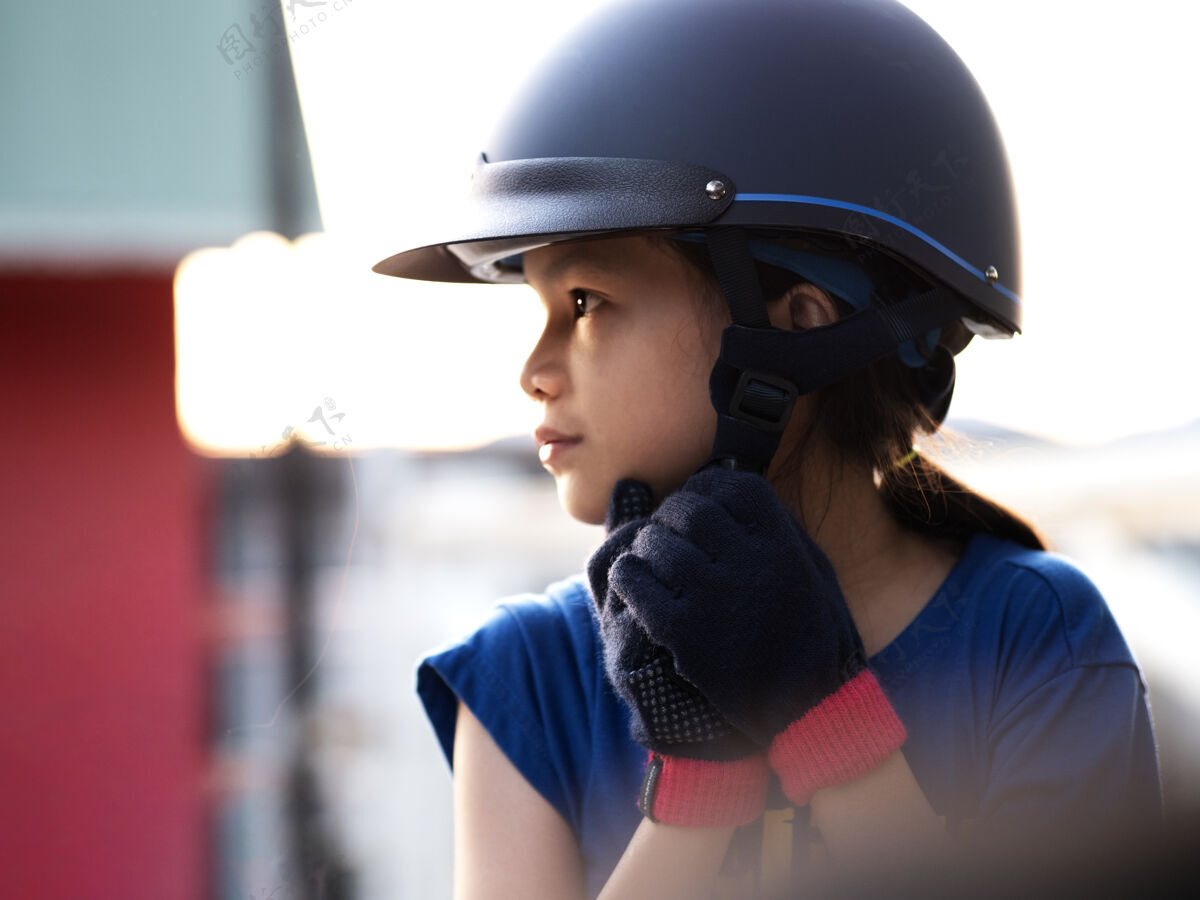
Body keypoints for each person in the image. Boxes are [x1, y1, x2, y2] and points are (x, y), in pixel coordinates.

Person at [373, 1, 1161, 896]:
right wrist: (697, 781)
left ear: (795, 322)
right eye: (539, 311)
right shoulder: (525, 678)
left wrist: (824, 715)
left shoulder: (1033, 639)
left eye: (586, 303)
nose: (534, 371)